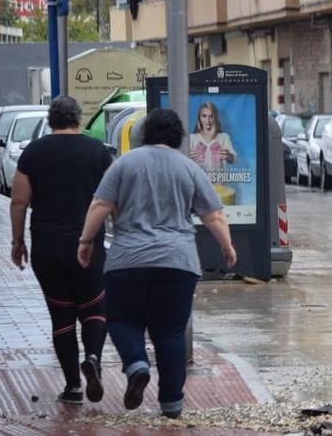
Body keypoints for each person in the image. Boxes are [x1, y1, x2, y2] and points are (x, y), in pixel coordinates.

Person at [77, 109, 237, 419]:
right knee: (170, 333)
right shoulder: (189, 168)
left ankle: (136, 364)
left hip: (128, 260)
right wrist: (227, 245)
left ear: (145, 133)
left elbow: (100, 204)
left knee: (122, 320)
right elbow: (214, 214)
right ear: (178, 137)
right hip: (178, 261)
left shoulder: (124, 163)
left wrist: (85, 241)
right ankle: (172, 404)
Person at [10, 96, 110, 405]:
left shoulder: (33, 153)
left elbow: (18, 202)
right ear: (79, 119)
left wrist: (17, 242)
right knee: (94, 309)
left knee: (61, 314)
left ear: (51, 120)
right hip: (89, 245)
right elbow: (112, 199)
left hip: (48, 248)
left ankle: (73, 387)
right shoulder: (98, 152)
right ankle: (92, 358)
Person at [189, 102, 237, 173]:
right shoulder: (192, 138)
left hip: (218, 183)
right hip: (197, 183)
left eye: (211, 116)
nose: (208, 120)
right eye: (204, 116)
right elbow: (182, 163)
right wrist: (187, 157)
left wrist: (228, 156)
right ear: (199, 117)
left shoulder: (224, 137)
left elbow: (234, 159)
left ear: (215, 118)